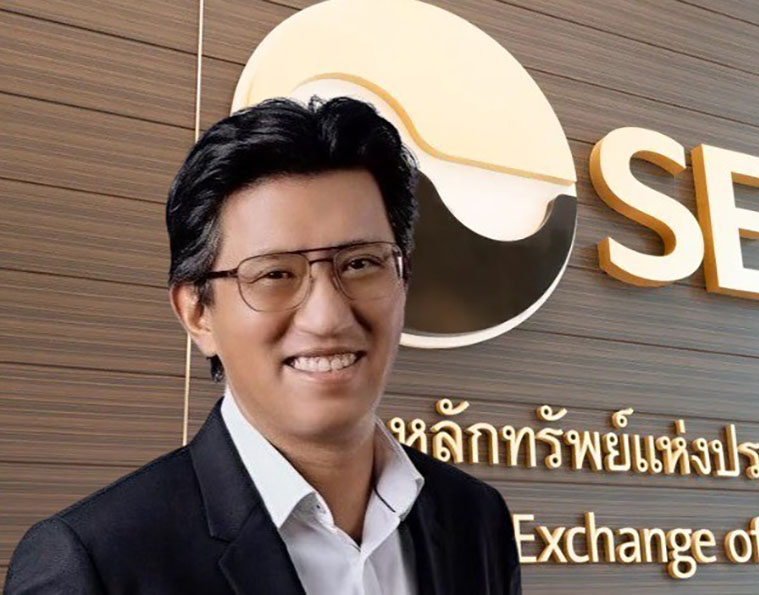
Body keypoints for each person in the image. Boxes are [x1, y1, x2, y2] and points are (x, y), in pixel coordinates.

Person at [5, 96, 521, 594]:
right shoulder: (94, 564)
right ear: (198, 313)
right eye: (275, 274)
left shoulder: (475, 519)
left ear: (404, 279)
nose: (328, 317)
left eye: (361, 263)